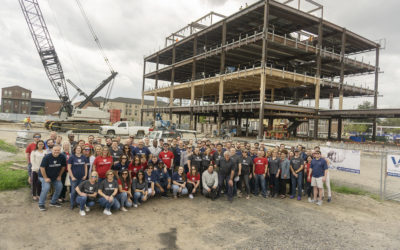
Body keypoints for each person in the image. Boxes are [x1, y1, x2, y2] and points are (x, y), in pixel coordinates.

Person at [38, 145, 66, 211]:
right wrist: (45, 178)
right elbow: (42, 168)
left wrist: (59, 175)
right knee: (46, 187)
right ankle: (41, 204)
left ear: (60, 151)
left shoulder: (62, 156)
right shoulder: (47, 157)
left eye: (58, 150)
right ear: (52, 150)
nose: (56, 151)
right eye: (55, 150)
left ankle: (53, 202)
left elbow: (63, 167)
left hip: (55, 176)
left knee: (59, 186)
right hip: (44, 176)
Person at [68, 145, 89, 209]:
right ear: (75, 149)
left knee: (80, 191)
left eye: (80, 148)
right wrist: (72, 177)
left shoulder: (84, 157)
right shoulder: (72, 157)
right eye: (77, 148)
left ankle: (78, 203)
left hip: (82, 178)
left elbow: (85, 167)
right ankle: (72, 204)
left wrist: (85, 175)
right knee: (73, 191)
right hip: (74, 178)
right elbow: (69, 168)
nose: (78, 149)